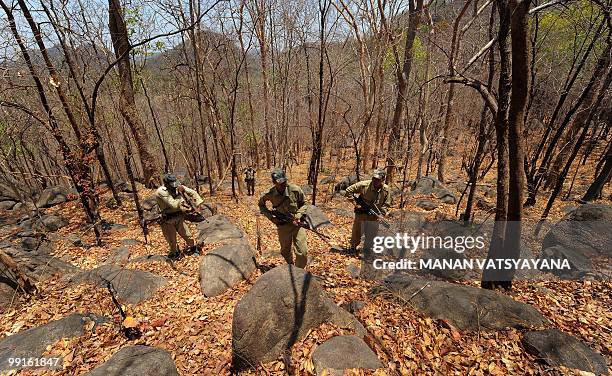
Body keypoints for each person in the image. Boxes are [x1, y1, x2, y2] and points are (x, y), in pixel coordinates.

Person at [258, 168, 308, 268]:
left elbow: (304, 204)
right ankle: (291, 266)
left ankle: (299, 271)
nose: (283, 184)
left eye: (284, 181)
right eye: (279, 183)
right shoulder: (270, 194)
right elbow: (261, 205)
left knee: (302, 253)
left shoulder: (295, 189)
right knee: (285, 251)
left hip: (297, 224)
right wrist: (271, 218)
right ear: (274, 183)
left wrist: (298, 216)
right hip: (283, 226)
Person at [345, 169, 392, 258]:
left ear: (383, 180)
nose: (375, 181)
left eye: (378, 179)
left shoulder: (386, 190)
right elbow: (348, 190)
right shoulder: (364, 185)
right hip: (361, 213)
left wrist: (381, 214)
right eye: (374, 178)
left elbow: (387, 204)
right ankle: (353, 248)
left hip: (374, 215)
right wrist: (355, 204)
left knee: (371, 234)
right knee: (357, 232)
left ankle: (367, 250)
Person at [155, 173, 204, 259]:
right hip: (167, 220)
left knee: (187, 235)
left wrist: (197, 206)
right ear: (166, 183)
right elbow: (173, 204)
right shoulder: (161, 191)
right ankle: (175, 253)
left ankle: (193, 248)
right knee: (171, 240)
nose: (174, 185)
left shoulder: (177, 185)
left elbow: (193, 193)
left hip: (179, 216)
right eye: (171, 183)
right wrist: (181, 196)